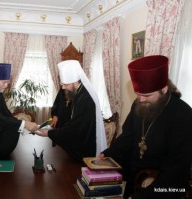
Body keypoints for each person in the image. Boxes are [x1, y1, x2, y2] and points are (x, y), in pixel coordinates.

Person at [99, 55, 192, 199]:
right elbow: (128, 138)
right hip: (135, 181)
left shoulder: (183, 115)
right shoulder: (138, 104)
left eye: (147, 95)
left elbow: (176, 170)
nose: (141, 100)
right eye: (138, 94)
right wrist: (108, 154)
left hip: (163, 189)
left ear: (164, 89)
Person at [36, 60, 107, 162]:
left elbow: (75, 128)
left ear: (75, 81)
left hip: (84, 150)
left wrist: (50, 133)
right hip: (79, 145)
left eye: (65, 84)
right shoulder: (79, 93)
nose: (63, 88)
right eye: (62, 84)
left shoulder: (86, 98)